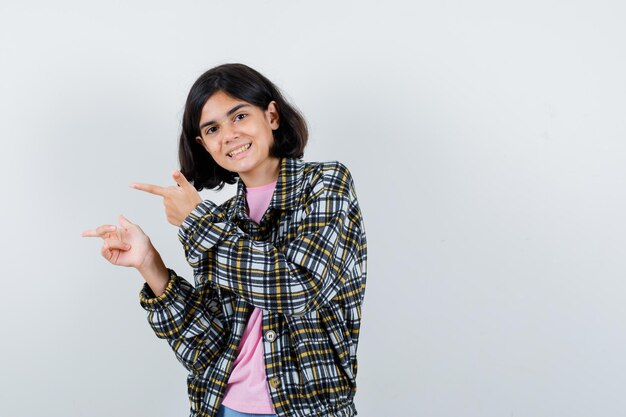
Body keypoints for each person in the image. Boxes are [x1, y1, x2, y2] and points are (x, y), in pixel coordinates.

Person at [82, 63, 367, 417]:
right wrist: (148, 262)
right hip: (219, 407)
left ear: (272, 116)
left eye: (240, 116)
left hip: (307, 409)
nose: (229, 134)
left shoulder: (325, 184)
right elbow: (206, 347)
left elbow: (297, 289)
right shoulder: (223, 219)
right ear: (204, 145)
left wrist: (196, 222)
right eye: (213, 128)